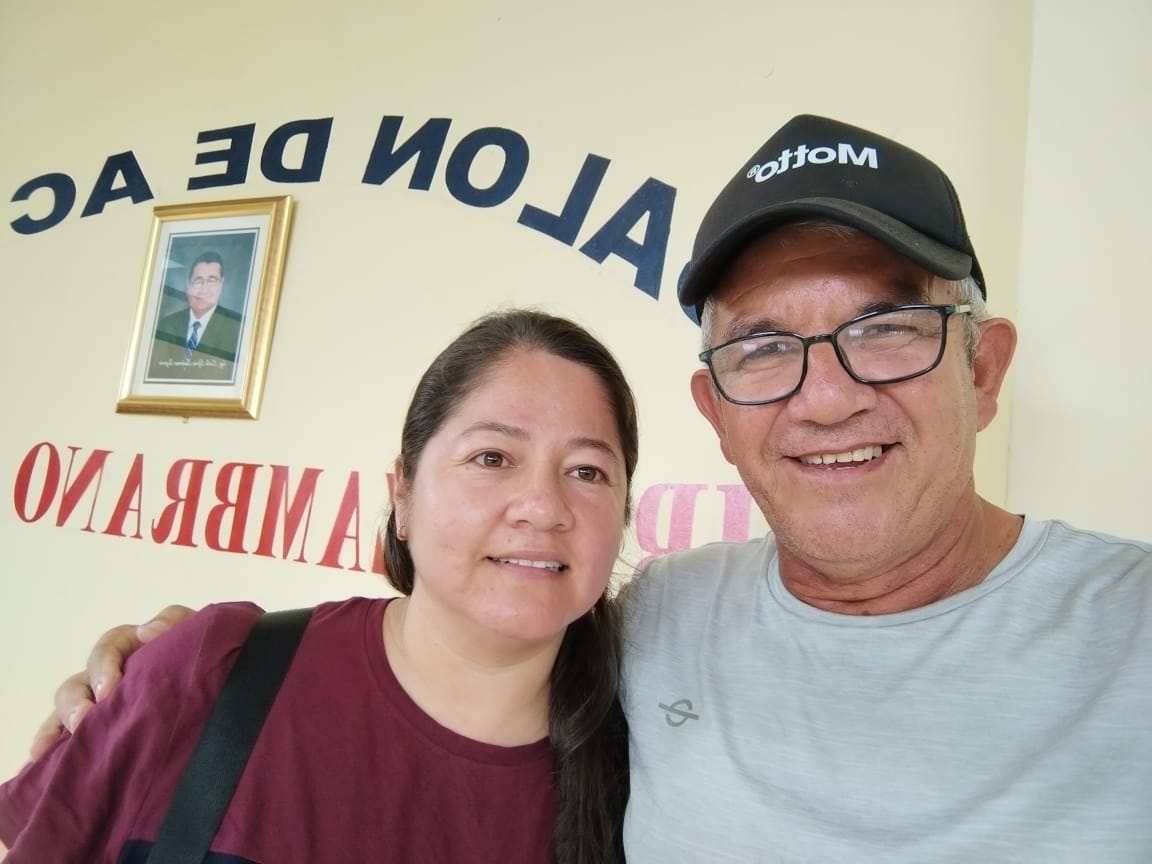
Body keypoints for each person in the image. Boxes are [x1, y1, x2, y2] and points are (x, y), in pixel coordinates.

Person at [27, 115, 1152, 861]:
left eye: (887, 328)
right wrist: (178, 672)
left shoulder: (1129, 635)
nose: (824, 397)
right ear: (717, 412)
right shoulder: (666, 620)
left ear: (985, 371)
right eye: (764, 346)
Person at [1, 309, 636, 863]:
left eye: (587, 471)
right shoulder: (216, 671)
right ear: (403, 496)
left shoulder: (649, 779)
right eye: (491, 458)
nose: (542, 507)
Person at [147, 250, 243, 381]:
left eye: (211, 280)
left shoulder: (236, 329)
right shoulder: (166, 325)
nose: (203, 289)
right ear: (188, 285)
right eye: (198, 280)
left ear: (221, 284)